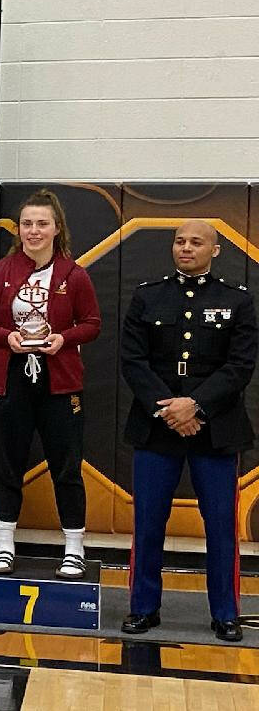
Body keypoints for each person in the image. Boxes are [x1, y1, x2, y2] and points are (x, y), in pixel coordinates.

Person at [120, 220, 255, 642]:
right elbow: (133, 361)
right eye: (180, 241)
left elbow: (240, 366)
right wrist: (171, 410)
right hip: (157, 427)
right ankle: (144, 607)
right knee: (148, 522)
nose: (186, 248)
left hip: (215, 429)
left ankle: (225, 613)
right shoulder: (147, 296)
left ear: (215, 250)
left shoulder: (237, 300)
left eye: (197, 242)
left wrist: (194, 405)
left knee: (220, 525)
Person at [0, 189, 101, 578]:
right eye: (27, 223)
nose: (34, 231)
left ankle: (73, 548)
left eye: (42, 223)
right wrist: (5, 337)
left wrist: (64, 339)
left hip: (59, 381)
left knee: (67, 466)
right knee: (7, 464)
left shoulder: (74, 275)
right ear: (18, 229)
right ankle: (4, 544)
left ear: (57, 228)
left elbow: (92, 324)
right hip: (9, 377)